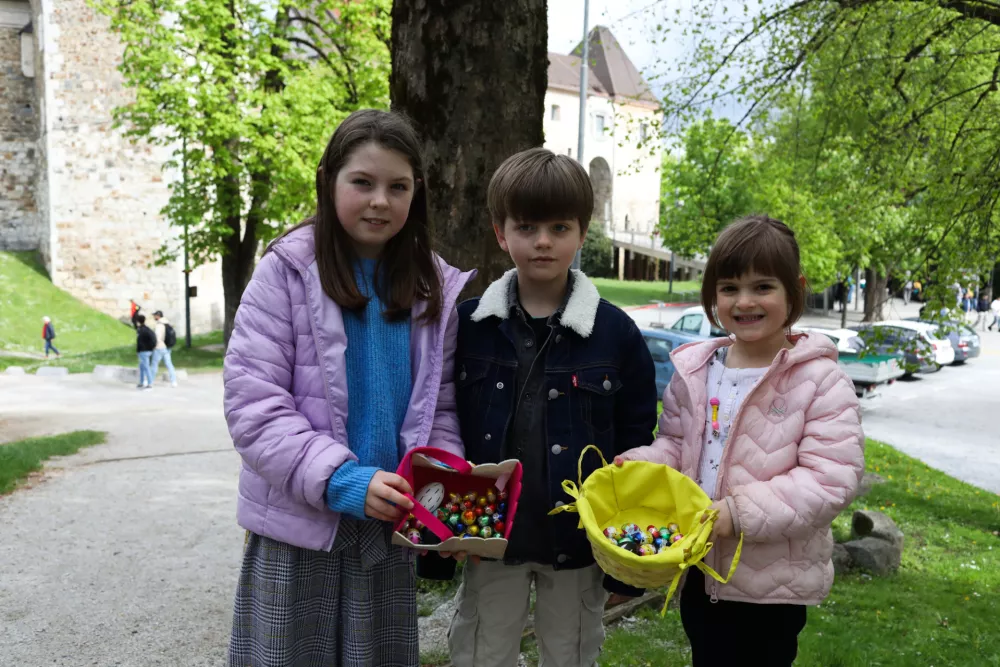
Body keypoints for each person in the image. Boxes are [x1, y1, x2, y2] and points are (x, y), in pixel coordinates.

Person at [223, 109, 474, 667]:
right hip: (301, 521)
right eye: (362, 182)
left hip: (388, 532)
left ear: (417, 195)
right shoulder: (286, 271)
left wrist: (442, 491)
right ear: (329, 181)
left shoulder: (432, 287)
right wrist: (340, 479)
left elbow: (443, 408)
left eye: (397, 186)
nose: (380, 200)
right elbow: (253, 403)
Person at [442, 148, 658, 667]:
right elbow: (442, 418)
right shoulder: (467, 325)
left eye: (559, 226)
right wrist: (445, 526)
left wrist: (624, 562)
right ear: (501, 233)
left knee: (571, 654)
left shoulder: (616, 333)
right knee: (480, 654)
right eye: (527, 226)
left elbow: (636, 444)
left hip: (578, 543)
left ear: (583, 232)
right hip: (490, 538)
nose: (543, 240)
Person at [616, 215, 865, 666]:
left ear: (795, 289)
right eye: (729, 288)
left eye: (763, 287)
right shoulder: (696, 372)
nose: (744, 301)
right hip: (699, 572)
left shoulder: (821, 381)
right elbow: (675, 444)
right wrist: (641, 464)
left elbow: (828, 481)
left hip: (771, 589)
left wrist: (736, 513)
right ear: (712, 295)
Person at [150, 310, 178, 387]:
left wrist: (154, 346)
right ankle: (174, 381)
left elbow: (157, 338)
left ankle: (150, 381)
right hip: (167, 347)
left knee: (154, 364)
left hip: (160, 347)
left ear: (158, 316)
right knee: (169, 364)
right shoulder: (167, 323)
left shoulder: (159, 325)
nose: (154, 317)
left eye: (155, 315)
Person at [135, 314, 157, 389]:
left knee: (146, 367)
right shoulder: (147, 329)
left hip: (143, 351)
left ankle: (150, 383)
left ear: (138, 321)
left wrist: (138, 351)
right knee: (142, 367)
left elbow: (139, 342)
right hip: (148, 350)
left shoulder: (140, 330)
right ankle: (141, 382)